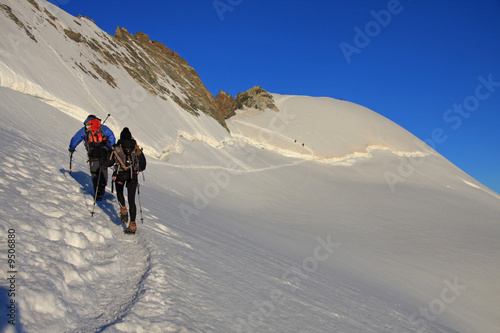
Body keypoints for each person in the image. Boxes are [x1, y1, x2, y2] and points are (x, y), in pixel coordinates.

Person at [106, 127, 146, 234]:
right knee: (132, 200)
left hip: (120, 175)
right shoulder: (135, 148)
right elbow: (142, 166)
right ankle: (132, 224)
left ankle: (123, 208)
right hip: (133, 177)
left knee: (119, 192)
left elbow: (108, 162)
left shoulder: (117, 147)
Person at [69, 115, 116, 201]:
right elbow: (111, 136)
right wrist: (110, 148)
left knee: (95, 173)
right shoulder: (103, 128)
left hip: (92, 154)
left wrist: (71, 148)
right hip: (104, 153)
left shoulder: (85, 129)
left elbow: (75, 139)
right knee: (103, 170)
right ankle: (102, 188)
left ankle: (97, 192)